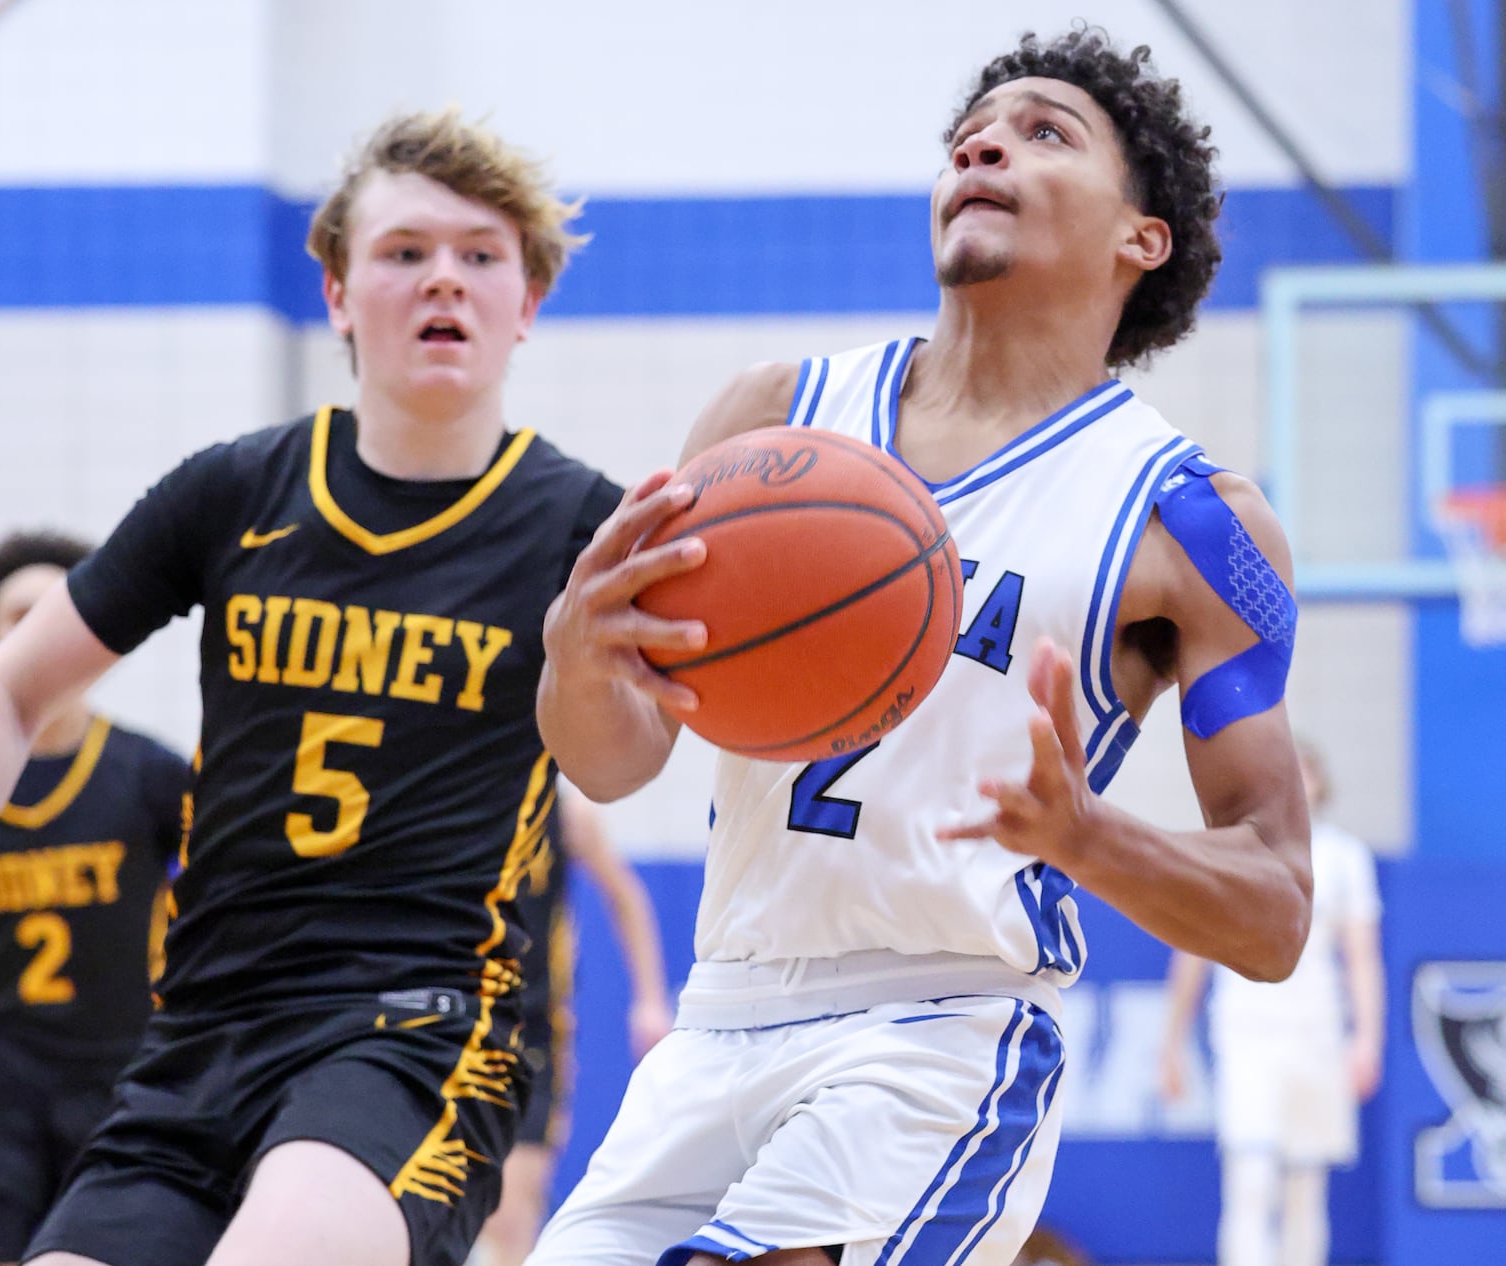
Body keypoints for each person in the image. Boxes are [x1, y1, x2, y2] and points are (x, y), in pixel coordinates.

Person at [530, 25, 1313, 1266]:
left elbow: (1274, 913)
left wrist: (1085, 837)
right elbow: (614, 763)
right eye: (969, 134)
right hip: (718, 1014)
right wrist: (574, 660)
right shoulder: (772, 419)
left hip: (940, 1029)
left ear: (1138, 237)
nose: (983, 142)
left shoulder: (1192, 521)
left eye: (1044, 129)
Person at [0, 109, 623, 1266]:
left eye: (479, 254)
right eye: (403, 252)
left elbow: (620, 765)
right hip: (199, 1037)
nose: (443, 275)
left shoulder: (584, 524)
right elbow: (0, 695)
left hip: (417, 1028)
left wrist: (598, 668)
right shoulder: (236, 491)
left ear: (526, 302)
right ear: (337, 293)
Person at [0, 530, 188, 1266]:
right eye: (19, 616)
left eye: (56, 615)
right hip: (0, 1086)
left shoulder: (150, 772)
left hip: (124, 1080)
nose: (39, 633)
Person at [1159, 741, 1385, 1266]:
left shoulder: (1345, 858)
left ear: (1321, 784)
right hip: (1247, 1033)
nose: (1296, 781)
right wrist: (1170, 1042)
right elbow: (1194, 950)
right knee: (1251, 1176)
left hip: (1318, 1037)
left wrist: (1368, 1037)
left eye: (1305, 770)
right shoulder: (1232, 851)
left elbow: (1362, 959)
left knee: (1306, 1183)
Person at [476, 784, 674, 1266]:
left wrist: (649, 1000)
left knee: (512, 1215)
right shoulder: (457, 800)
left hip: (531, 1033)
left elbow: (625, 895)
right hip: (451, 1020)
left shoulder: (562, 813)